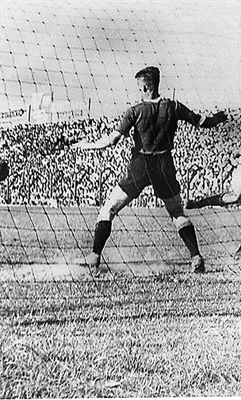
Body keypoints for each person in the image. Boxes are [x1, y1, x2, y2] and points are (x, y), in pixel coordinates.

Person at [73, 66, 227, 274]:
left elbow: (111, 141)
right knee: (177, 213)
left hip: (141, 165)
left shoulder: (135, 111)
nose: (139, 91)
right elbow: (203, 122)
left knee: (109, 209)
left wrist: (86, 145)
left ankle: (94, 256)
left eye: (139, 88)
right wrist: (219, 118)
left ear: (145, 87)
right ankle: (196, 257)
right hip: (165, 164)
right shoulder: (173, 106)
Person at [186, 136, 241, 210]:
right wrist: (233, 160)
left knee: (238, 199)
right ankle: (199, 203)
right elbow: (236, 153)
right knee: (235, 198)